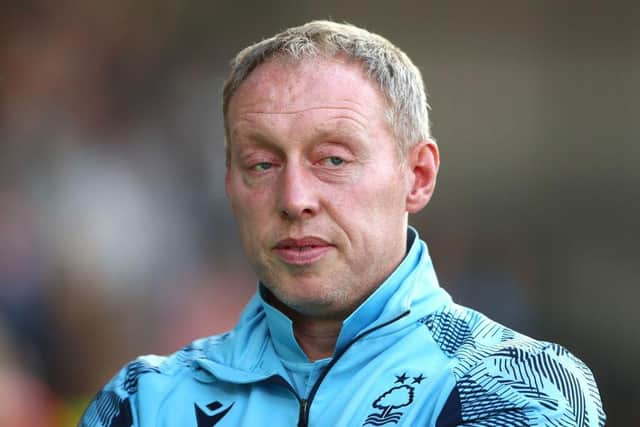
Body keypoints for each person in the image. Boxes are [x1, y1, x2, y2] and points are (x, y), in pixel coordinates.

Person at [79, 20, 605, 426]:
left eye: (332, 160)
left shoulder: (512, 387)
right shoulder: (143, 400)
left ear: (417, 176)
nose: (294, 198)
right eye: (262, 164)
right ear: (229, 185)